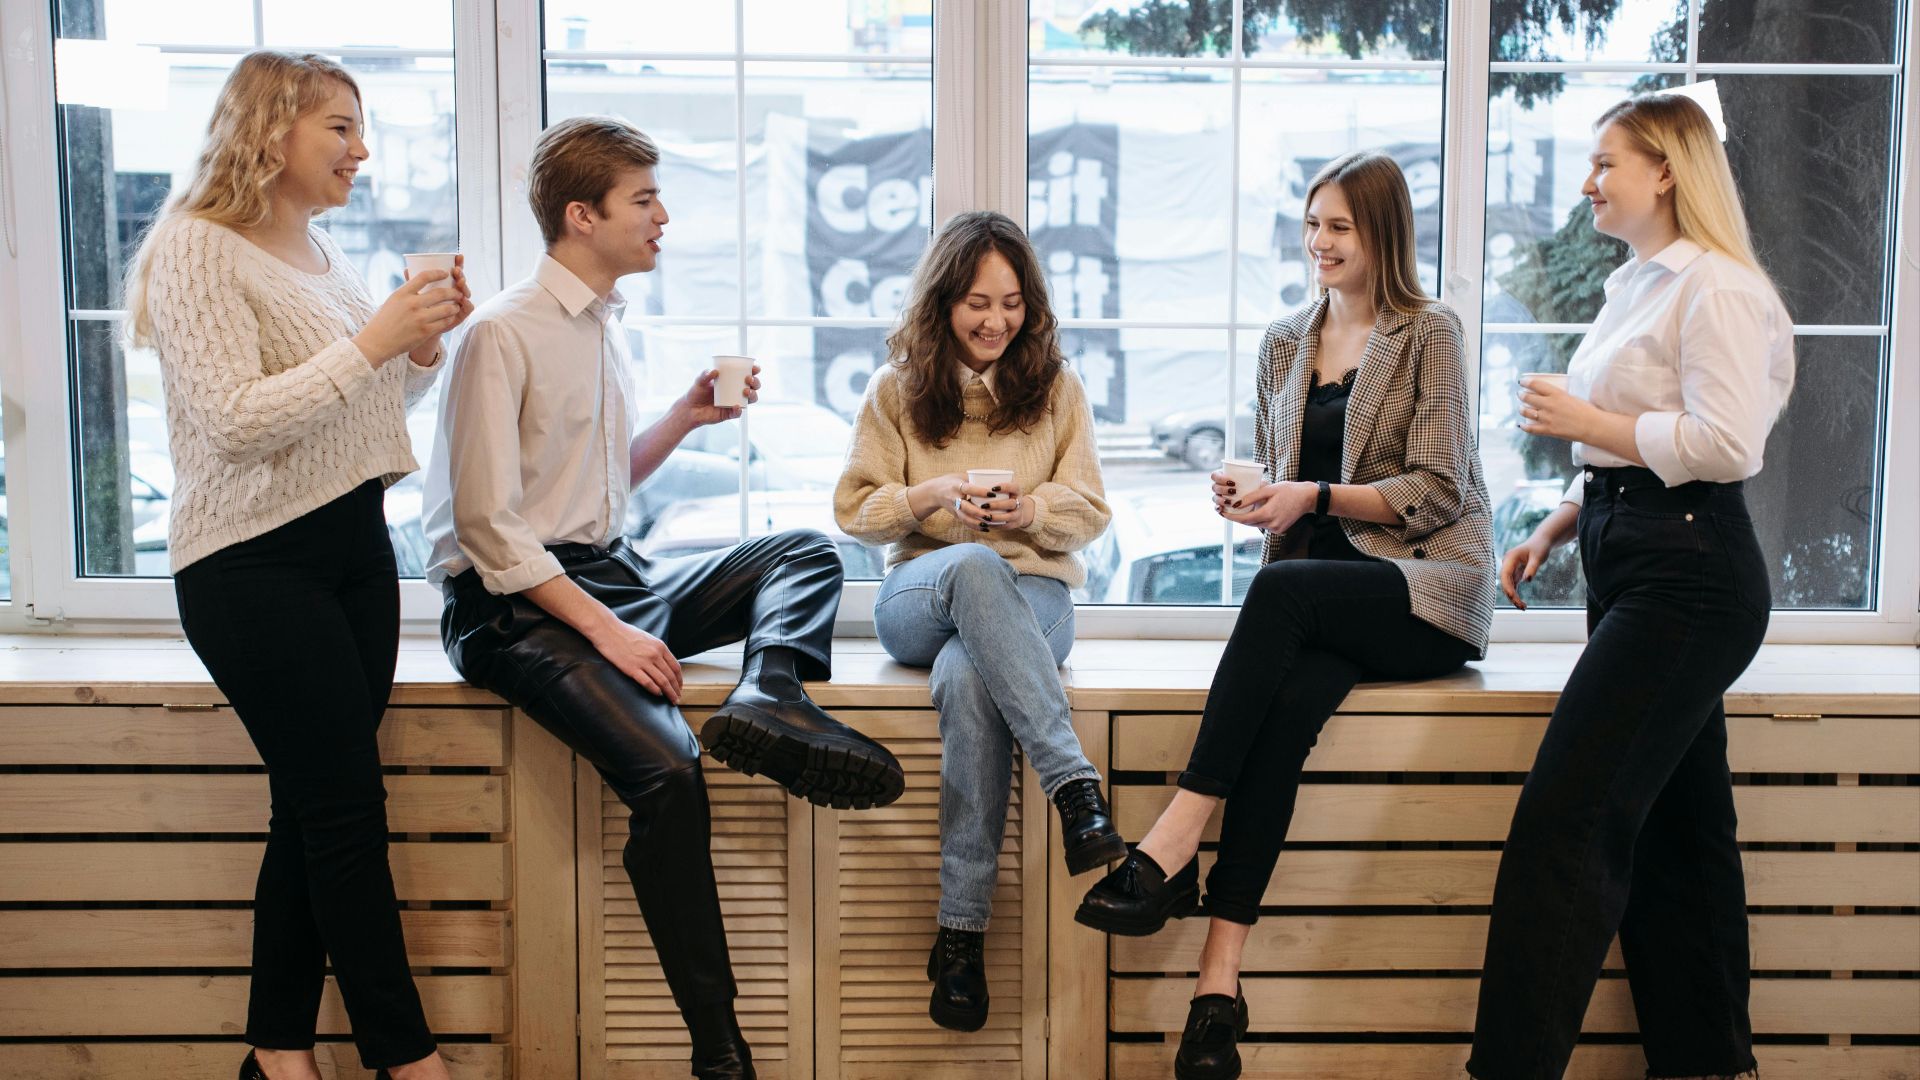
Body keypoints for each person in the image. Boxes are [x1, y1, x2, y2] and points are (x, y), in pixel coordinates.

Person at [425, 114, 904, 1080]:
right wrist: (607, 632)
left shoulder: (603, 329)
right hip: (507, 606)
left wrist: (684, 418)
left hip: (605, 574)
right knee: (670, 772)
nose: (663, 217)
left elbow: (590, 490)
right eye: (643, 200)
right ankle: (719, 1048)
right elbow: (488, 524)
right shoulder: (500, 335)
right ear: (580, 215)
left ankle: (771, 693)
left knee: (803, 552)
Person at [1074, 151, 1495, 1080]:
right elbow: (1287, 486)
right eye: (1311, 224)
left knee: (1280, 596)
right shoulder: (1282, 341)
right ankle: (1217, 988)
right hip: (1317, 596)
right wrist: (1258, 498)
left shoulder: (1429, 332)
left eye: (1339, 226)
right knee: (1283, 715)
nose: (1319, 243)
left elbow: (1438, 490)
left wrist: (1314, 496)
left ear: (1382, 231)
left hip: (1420, 587)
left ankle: (1173, 837)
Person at [127, 51, 472, 1080]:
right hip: (250, 565)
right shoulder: (199, 249)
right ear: (272, 131)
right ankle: (405, 1060)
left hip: (353, 553)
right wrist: (374, 344)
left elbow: (351, 419)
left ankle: (276, 1054)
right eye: (341, 128)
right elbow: (233, 424)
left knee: (310, 809)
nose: (361, 152)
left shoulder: (323, 255)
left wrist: (412, 358)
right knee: (344, 811)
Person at [1467, 93, 1792, 1080]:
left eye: (1606, 163)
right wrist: (1556, 529)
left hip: (1690, 576)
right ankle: (1709, 1065)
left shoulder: (1719, 290)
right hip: (1630, 553)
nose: (1587, 182)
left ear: (1668, 171)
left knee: (1567, 821)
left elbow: (1727, 445)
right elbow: (1642, 442)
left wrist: (1582, 422)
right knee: (1683, 836)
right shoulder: (1633, 287)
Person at [835, 210, 1123, 1033]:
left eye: (1011, 302)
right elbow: (856, 509)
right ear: (942, 304)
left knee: (969, 676)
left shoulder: (1058, 390)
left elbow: (1092, 509)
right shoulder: (894, 389)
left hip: (1036, 602)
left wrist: (1030, 507)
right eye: (975, 303)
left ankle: (958, 938)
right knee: (969, 563)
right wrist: (932, 495)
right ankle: (1077, 790)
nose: (996, 321)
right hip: (920, 596)